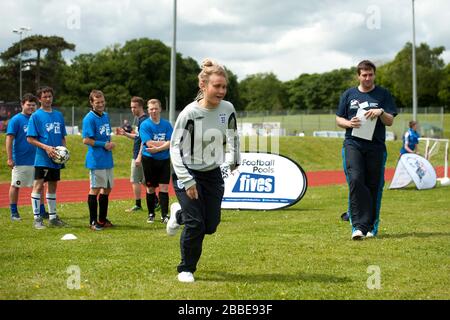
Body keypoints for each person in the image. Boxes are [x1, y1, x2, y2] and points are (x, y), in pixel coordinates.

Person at [167, 59, 240, 283]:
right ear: (203, 86)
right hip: (187, 173)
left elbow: (233, 134)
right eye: (216, 86)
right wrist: (187, 180)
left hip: (212, 173)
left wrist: (235, 157)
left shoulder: (227, 108)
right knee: (196, 224)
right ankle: (186, 269)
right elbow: (174, 147)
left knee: (210, 226)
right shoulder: (189, 113)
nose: (221, 91)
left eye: (224, 86)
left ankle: (178, 213)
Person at [336, 60, 398, 240]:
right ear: (358, 76)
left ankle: (371, 226)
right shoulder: (349, 94)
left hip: (376, 146)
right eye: (364, 75)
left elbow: (390, 121)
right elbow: (339, 119)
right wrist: (348, 123)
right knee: (355, 180)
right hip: (353, 144)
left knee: (374, 185)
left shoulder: (383, 94)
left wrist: (380, 112)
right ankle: (357, 227)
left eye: (370, 74)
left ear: (374, 75)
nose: (368, 78)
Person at [27, 86, 67, 229]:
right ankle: (37, 219)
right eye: (45, 97)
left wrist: (64, 152)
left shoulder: (58, 115)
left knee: (53, 185)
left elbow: (62, 137)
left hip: (56, 158)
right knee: (38, 186)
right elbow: (30, 139)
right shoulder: (36, 116)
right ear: (40, 99)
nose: (48, 99)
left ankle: (52, 218)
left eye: (50, 96)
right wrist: (46, 148)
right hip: (42, 158)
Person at [6, 93, 47, 221]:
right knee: (16, 185)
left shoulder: (37, 119)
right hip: (21, 160)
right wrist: (9, 158)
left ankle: (42, 211)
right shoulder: (16, 120)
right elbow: (9, 139)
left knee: (40, 186)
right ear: (22, 105)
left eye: (33, 105)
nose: (31, 107)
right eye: (28, 105)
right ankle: (14, 212)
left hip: (38, 159)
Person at [82, 90, 115, 231]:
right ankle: (92, 221)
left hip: (107, 158)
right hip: (96, 159)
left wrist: (110, 143)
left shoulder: (106, 116)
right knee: (95, 189)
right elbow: (86, 140)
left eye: (102, 101)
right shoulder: (89, 119)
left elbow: (107, 135)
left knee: (107, 188)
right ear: (91, 103)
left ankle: (102, 219)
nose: (100, 104)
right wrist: (104, 145)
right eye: (97, 102)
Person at [139, 98, 173, 223]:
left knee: (164, 187)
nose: (154, 111)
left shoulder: (167, 124)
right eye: (151, 109)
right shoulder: (145, 125)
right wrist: (163, 144)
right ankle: (151, 213)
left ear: (160, 109)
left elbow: (171, 142)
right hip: (149, 160)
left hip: (164, 159)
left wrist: (158, 149)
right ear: (148, 110)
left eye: (156, 109)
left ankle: (165, 215)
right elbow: (148, 142)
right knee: (151, 188)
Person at [117, 96, 150, 212]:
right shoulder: (141, 120)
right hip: (140, 154)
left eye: (134, 107)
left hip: (139, 155)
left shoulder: (144, 120)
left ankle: (138, 205)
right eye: (131, 107)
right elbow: (137, 137)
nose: (132, 110)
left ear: (140, 107)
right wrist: (125, 134)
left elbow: (144, 141)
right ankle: (156, 201)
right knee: (145, 181)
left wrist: (139, 156)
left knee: (135, 180)